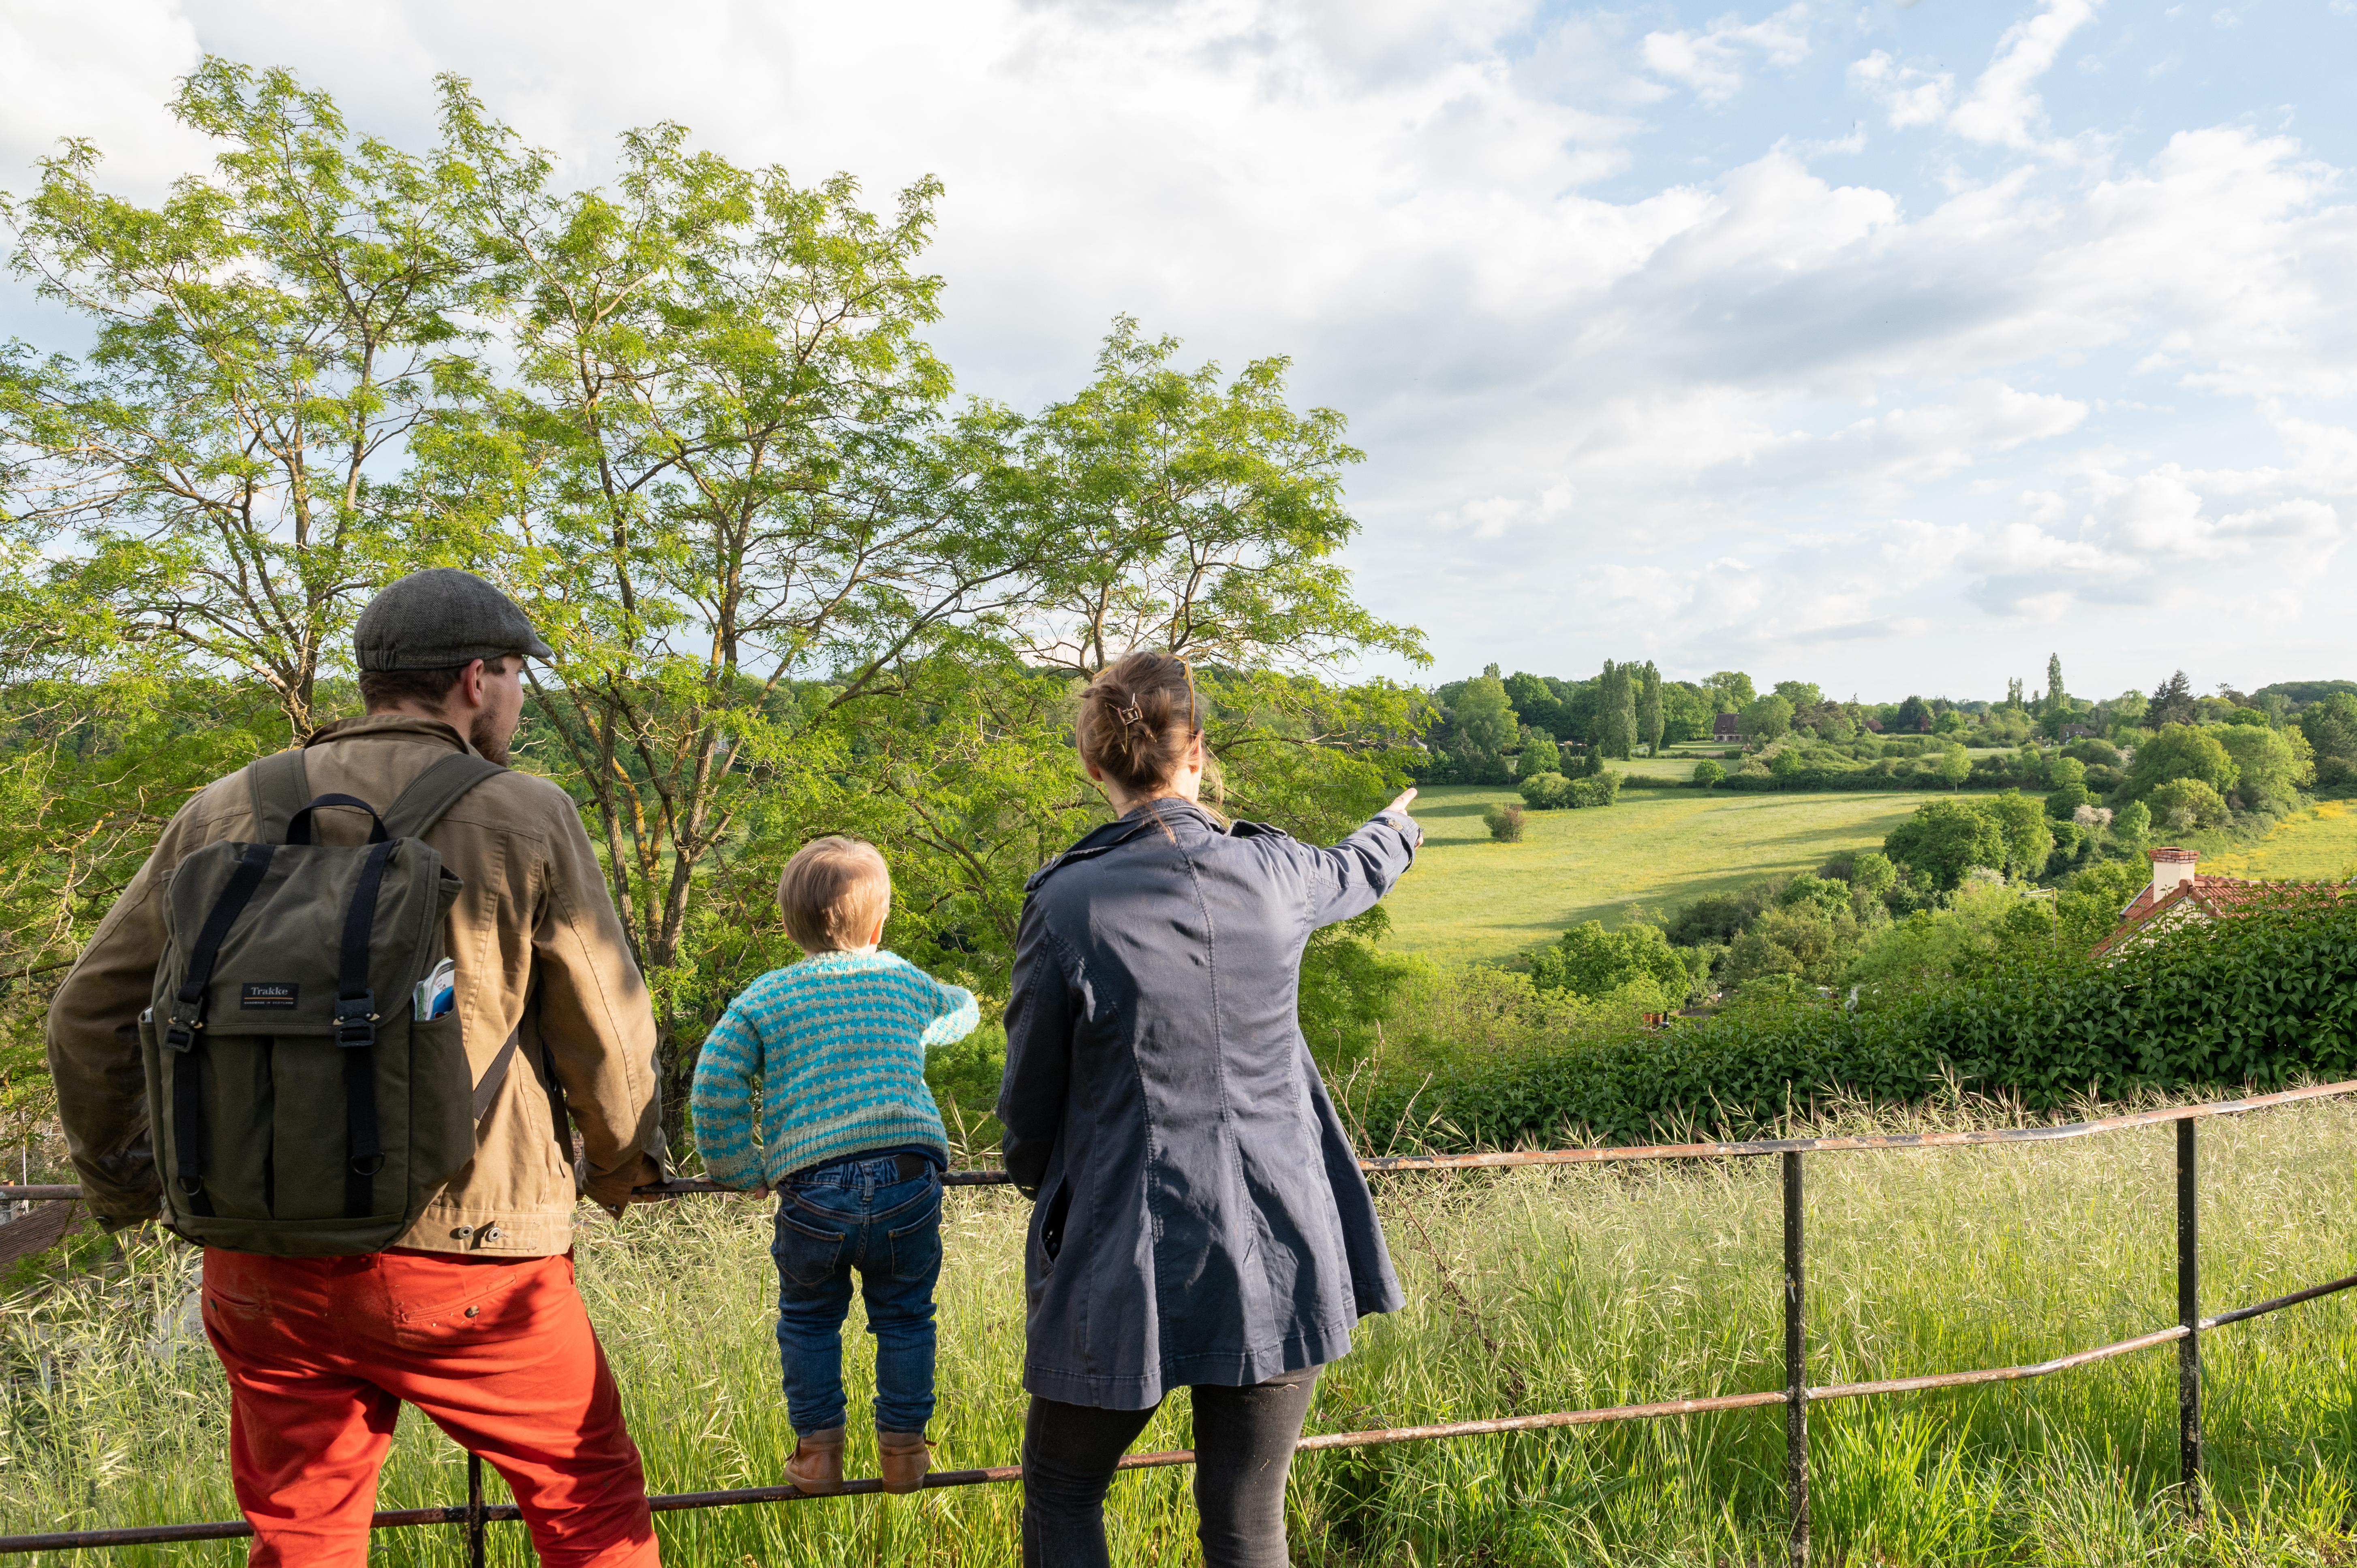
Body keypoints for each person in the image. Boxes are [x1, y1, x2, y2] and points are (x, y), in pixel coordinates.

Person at [46, 567, 669, 1568]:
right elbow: (607, 1027)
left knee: (304, 1530)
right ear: (476, 679)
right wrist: (620, 1167)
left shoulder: (222, 809)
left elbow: (86, 1015)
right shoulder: (525, 813)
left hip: (262, 1251)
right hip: (473, 1252)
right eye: (517, 677)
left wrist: (132, 1186)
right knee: (586, 1505)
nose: (518, 698)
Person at [999, 651, 1422, 1568]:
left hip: (1122, 1257)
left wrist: (1049, 1185)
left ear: (1094, 763)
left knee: (1063, 1490)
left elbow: (1028, 1107)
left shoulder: (1065, 901)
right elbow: (1357, 866)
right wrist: (1396, 827)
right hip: (1283, 1250)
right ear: (1197, 752)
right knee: (1247, 1521)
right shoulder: (1278, 871)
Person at [689, 835, 979, 1497]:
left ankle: (819, 1454)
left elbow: (714, 1082)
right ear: (878, 926)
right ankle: (904, 1452)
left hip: (814, 1189)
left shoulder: (765, 998)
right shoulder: (902, 980)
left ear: (790, 926)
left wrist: (739, 1167)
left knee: (810, 1318)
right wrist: (935, 1017)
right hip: (908, 1178)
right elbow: (959, 1010)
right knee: (906, 1316)